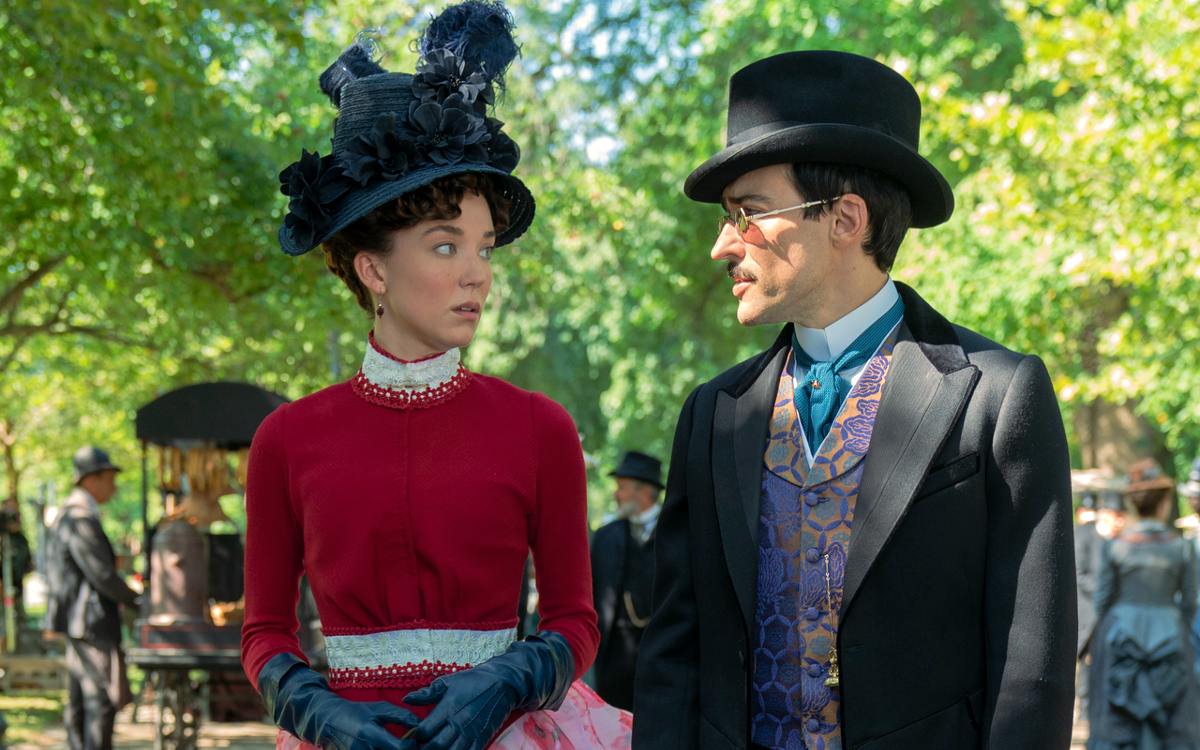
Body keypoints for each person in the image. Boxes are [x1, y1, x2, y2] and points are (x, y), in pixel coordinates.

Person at [633, 51, 1076, 749]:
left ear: (844, 218)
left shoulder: (997, 395)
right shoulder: (714, 414)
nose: (723, 245)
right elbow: (673, 662)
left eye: (747, 213)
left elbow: (1033, 672)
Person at [240, 4, 629, 749]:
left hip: (512, 732)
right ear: (374, 267)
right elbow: (264, 630)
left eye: (484, 248)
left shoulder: (541, 428)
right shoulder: (285, 440)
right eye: (446, 247)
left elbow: (576, 621)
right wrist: (314, 709)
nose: (478, 275)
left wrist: (512, 680)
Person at [1088, 459, 1200, 749]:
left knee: (1118, 716)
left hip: (1121, 635)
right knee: (1172, 721)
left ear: (1134, 504)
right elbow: (1189, 602)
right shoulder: (1181, 547)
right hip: (1170, 635)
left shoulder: (1116, 546)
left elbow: (1102, 600)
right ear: (1163, 503)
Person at [45, 446, 140, 750]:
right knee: (99, 700)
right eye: (109, 478)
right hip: (91, 622)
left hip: (78, 621)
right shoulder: (80, 517)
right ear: (91, 479)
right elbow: (102, 575)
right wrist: (139, 600)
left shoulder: (69, 515)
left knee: (81, 701)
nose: (114, 486)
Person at [589, 450, 663, 710]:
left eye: (621, 487)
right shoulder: (607, 535)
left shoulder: (676, 532)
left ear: (642, 491)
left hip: (660, 651)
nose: (616, 494)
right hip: (614, 653)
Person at [1075, 492, 1102, 719]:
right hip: (1083, 607)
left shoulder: (1097, 537)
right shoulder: (1080, 535)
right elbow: (1079, 573)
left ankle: (1086, 708)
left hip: (1091, 607)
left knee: (1089, 662)